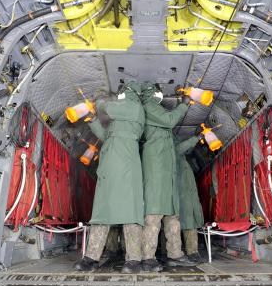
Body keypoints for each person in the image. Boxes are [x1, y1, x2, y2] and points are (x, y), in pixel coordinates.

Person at [75, 81, 145, 273]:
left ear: (129, 93)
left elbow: (107, 107)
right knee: (101, 212)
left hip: (127, 166)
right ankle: (91, 257)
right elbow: (106, 136)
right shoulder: (120, 119)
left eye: (122, 92)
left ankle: (134, 260)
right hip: (109, 167)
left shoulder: (135, 107)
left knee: (131, 213)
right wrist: (91, 120)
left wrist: (98, 101)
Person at [140, 82, 196, 272]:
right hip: (156, 167)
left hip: (165, 167)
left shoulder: (155, 109)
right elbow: (171, 120)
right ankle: (147, 258)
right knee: (154, 214)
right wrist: (184, 104)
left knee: (172, 214)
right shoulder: (148, 106)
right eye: (159, 92)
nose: (161, 94)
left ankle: (175, 254)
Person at [175, 134, 204, 263]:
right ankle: (173, 253)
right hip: (179, 195)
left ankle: (193, 251)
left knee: (190, 222)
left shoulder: (184, 161)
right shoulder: (173, 153)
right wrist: (196, 138)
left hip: (188, 195)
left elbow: (185, 148)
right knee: (176, 224)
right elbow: (180, 148)